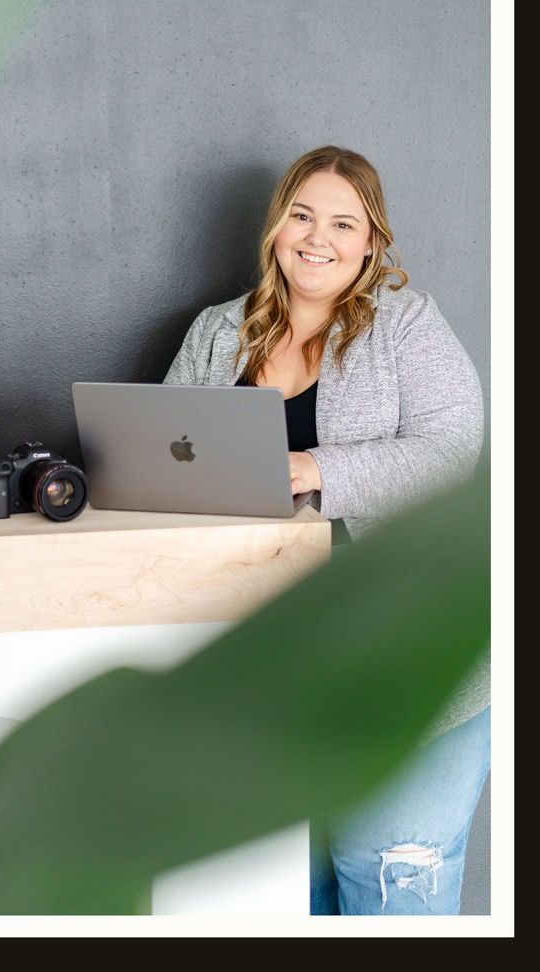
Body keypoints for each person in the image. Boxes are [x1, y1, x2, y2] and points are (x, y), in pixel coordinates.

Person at [161, 144, 490, 916]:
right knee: (288, 894)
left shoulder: (404, 325)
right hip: (274, 668)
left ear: (371, 242)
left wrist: (314, 468)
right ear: (277, 226)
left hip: (408, 666)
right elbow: (164, 451)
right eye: (302, 215)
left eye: (344, 223)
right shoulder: (218, 332)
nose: (319, 238)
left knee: (385, 880)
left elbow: (453, 453)